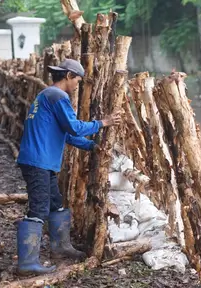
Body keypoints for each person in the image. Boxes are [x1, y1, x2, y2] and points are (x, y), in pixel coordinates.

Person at [15, 59, 122, 275]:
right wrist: (104, 122)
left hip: (41, 161)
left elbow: (67, 135)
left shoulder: (46, 96)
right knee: (38, 209)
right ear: (68, 76)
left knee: (56, 203)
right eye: (77, 81)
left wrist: (93, 146)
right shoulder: (57, 96)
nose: (76, 87)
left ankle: (60, 246)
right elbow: (74, 128)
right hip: (38, 162)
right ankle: (26, 264)